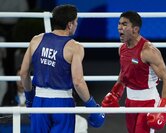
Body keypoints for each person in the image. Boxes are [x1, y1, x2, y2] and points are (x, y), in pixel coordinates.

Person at [20, 4, 105, 133]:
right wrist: (92, 107)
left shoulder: (36, 40)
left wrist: (30, 100)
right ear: (70, 24)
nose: (76, 25)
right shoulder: (75, 48)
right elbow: (78, 81)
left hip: (39, 101)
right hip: (62, 103)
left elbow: (24, 73)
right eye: (76, 22)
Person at [102, 11, 166, 133]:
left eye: (124, 24)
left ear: (135, 29)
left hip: (149, 102)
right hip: (130, 101)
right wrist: (115, 93)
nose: (120, 27)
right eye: (119, 23)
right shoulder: (122, 49)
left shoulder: (148, 51)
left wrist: (162, 109)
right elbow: (124, 73)